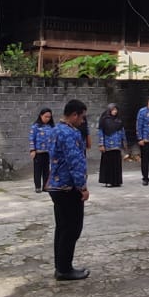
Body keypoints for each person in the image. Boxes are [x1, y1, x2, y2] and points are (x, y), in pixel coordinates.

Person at [47, 99, 91, 281]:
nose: (83, 121)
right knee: (72, 228)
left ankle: (61, 266)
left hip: (56, 185)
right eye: (82, 117)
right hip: (68, 187)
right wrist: (82, 187)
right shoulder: (70, 133)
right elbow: (75, 162)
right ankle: (65, 269)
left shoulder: (56, 130)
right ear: (74, 115)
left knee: (62, 228)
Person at [97, 103, 126, 186]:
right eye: (113, 110)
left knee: (116, 163)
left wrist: (124, 142)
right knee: (108, 164)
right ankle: (108, 181)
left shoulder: (119, 120)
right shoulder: (104, 120)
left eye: (116, 110)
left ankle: (116, 181)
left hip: (117, 145)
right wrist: (101, 144)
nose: (115, 111)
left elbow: (122, 131)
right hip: (108, 146)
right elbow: (100, 132)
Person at [29, 107, 56, 192]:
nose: (47, 118)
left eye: (49, 117)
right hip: (38, 152)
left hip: (48, 152)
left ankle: (45, 186)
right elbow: (31, 139)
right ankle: (37, 186)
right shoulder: (35, 126)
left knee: (46, 170)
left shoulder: (51, 127)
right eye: (45, 116)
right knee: (37, 170)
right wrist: (32, 150)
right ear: (41, 116)